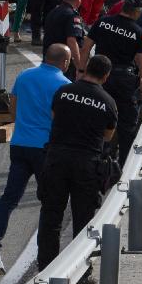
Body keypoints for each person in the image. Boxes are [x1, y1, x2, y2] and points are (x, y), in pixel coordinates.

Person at [0, 43, 71, 274]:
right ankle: (45, 255)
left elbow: (13, 110)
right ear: (65, 62)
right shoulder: (64, 85)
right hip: (44, 148)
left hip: (19, 143)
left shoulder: (23, 76)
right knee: (49, 202)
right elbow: (61, 120)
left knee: (9, 197)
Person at [36, 54, 118, 270]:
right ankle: (80, 270)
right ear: (106, 76)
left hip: (56, 158)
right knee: (83, 220)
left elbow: (54, 116)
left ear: (86, 68)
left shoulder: (63, 92)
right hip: (86, 164)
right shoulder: (108, 102)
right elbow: (108, 136)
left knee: (51, 215)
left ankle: (45, 268)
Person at [82, 0, 142, 163]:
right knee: (127, 127)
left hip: (98, 77)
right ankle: (123, 166)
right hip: (124, 82)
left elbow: (85, 48)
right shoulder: (138, 33)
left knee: (95, 118)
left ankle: (94, 158)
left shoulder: (103, 22)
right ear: (137, 12)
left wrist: (81, 71)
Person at [42, 0, 86, 75]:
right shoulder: (72, 16)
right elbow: (72, 41)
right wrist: (79, 67)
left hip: (49, 59)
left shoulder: (52, 12)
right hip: (64, 64)